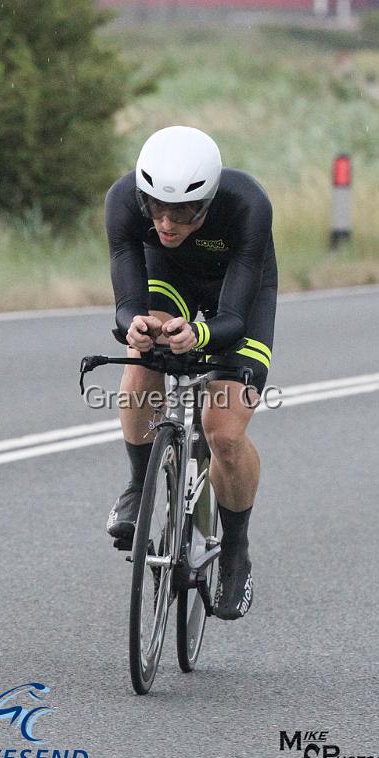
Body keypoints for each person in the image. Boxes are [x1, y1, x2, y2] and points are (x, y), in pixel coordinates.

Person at [105, 126, 278, 620]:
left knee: (222, 433)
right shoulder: (122, 201)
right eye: (155, 207)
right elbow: (127, 301)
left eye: (182, 213)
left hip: (241, 289)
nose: (166, 222)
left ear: (207, 201)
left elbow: (233, 321)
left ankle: (236, 549)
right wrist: (135, 328)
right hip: (171, 277)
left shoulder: (247, 204)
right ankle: (140, 486)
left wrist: (199, 337)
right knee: (147, 347)